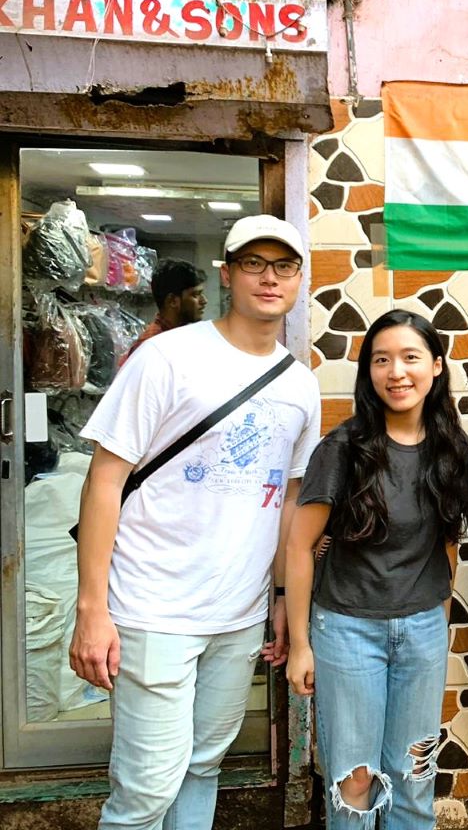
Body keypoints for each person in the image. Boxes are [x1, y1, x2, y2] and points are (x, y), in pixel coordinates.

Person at [70, 214, 320, 830]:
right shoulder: (167, 357)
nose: (269, 278)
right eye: (254, 263)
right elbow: (104, 481)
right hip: (153, 607)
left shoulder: (300, 384)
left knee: (203, 766)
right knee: (145, 792)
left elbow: (288, 500)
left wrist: (280, 598)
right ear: (227, 274)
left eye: (284, 266)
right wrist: (91, 608)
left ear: (298, 279)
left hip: (238, 616)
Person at [285, 309, 468, 830]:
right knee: (355, 782)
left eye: (410, 357)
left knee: (413, 777)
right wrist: (301, 644)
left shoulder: (452, 449)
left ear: (436, 365)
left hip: (422, 630)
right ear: (368, 371)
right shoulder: (342, 448)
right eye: (381, 360)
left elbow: (447, 542)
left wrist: (437, 620)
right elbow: (300, 547)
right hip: (347, 630)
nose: (396, 372)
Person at [125, 258, 207, 359]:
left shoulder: (178, 336)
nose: (204, 301)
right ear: (172, 301)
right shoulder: (151, 347)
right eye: (195, 294)